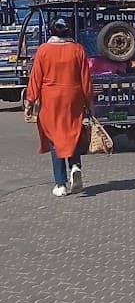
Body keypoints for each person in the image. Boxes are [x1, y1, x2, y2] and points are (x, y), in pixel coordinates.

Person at [23, 16, 93, 196]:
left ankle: (60, 184)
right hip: (73, 98)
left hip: (51, 100)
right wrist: (88, 101)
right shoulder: (78, 50)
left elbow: (35, 79)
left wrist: (29, 102)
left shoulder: (44, 50)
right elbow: (86, 80)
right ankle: (75, 166)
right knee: (73, 133)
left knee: (55, 139)